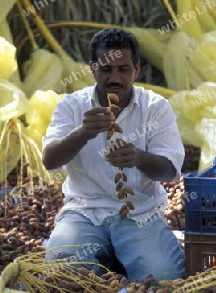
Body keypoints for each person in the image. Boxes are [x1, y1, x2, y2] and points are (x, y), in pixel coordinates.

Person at [42, 28, 185, 281]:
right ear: (92, 69)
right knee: (60, 273)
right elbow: (49, 160)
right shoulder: (72, 106)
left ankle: (118, 254)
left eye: (123, 69)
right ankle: (113, 255)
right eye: (106, 69)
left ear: (137, 69)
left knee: (164, 277)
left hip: (139, 212)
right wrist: (83, 133)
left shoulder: (156, 108)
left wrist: (138, 158)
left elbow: (170, 171)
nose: (114, 78)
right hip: (85, 211)